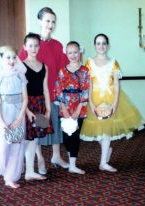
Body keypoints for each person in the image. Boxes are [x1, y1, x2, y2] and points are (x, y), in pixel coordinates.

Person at [80, 34, 145, 172]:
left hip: (111, 99)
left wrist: (115, 103)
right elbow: (89, 84)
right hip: (95, 99)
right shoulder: (89, 62)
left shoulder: (113, 62)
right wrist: (90, 103)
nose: (101, 46)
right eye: (98, 43)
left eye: (104, 43)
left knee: (107, 130)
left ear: (108, 46)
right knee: (97, 130)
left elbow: (116, 84)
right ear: (94, 46)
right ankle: (106, 148)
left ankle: (103, 162)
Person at [19, 7, 69, 174]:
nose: (50, 24)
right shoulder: (33, 44)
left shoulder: (57, 45)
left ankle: (56, 156)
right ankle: (39, 159)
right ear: (40, 21)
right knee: (38, 127)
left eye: (53, 21)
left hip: (52, 94)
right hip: (37, 96)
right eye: (47, 20)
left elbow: (63, 68)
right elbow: (20, 65)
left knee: (54, 124)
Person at [0, 46, 28, 188]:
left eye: (14, 57)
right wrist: (1, 119)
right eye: (8, 57)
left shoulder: (20, 74)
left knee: (17, 144)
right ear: (1, 58)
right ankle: (5, 171)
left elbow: (25, 98)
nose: (12, 60)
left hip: (18, 112)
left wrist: (20, 117)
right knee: (4, 144)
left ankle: (10, 177)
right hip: (5, 114)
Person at [54, 41, 90, 174]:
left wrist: (78, 110)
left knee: (74, 135)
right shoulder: (62, 71)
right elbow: (58, 90)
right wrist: (63, 108)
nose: (73, 55)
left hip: (79, 107)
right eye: (70, 53)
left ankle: (73, 165)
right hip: (65, 107)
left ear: (79, 52)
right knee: (66, 136)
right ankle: (71, 160)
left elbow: (86, 90)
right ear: (66, 53)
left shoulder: (85, 71)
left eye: (75, 52)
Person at [23, 33, 51, 180]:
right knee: (26, 138)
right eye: (30, 45)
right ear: (25, 47)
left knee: (35, 138)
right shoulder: (20, 66)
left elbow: (45, 89)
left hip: (40, 105)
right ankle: (24, 169)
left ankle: (29, 171)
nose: (33, 48)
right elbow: (20, 91)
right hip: (26, 105)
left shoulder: (44, 67)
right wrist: (26, 111)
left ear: (39, 47)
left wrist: (48, 109)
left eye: (36, 45)